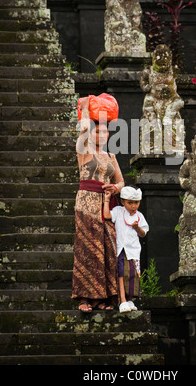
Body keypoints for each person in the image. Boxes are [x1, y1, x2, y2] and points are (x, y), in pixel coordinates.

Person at [72, 96, 125, 312]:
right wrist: (85, 108)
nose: (101, 135)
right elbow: (84, 129)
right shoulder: (84, 151)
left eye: (105, 132)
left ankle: (104, 298)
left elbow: (121, 181)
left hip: (106, 205)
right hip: (86, 203)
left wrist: (115, 189)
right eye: (97, 131)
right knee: (87, 249)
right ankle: (85, 298)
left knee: (107, 249)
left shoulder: (111, 156)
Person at [103, 186, 149, 313]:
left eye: (136, 203)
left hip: (133, 251)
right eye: (130, 203)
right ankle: (122, 300)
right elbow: (106, 215)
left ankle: (129, 299)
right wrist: (106, 200)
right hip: (120, 249)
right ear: (123, 201)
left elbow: (143, 233)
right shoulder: (118, 211)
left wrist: (137, 228)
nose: (133, 206)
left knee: (133, 274)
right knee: (121, 274)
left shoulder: (139, 216)